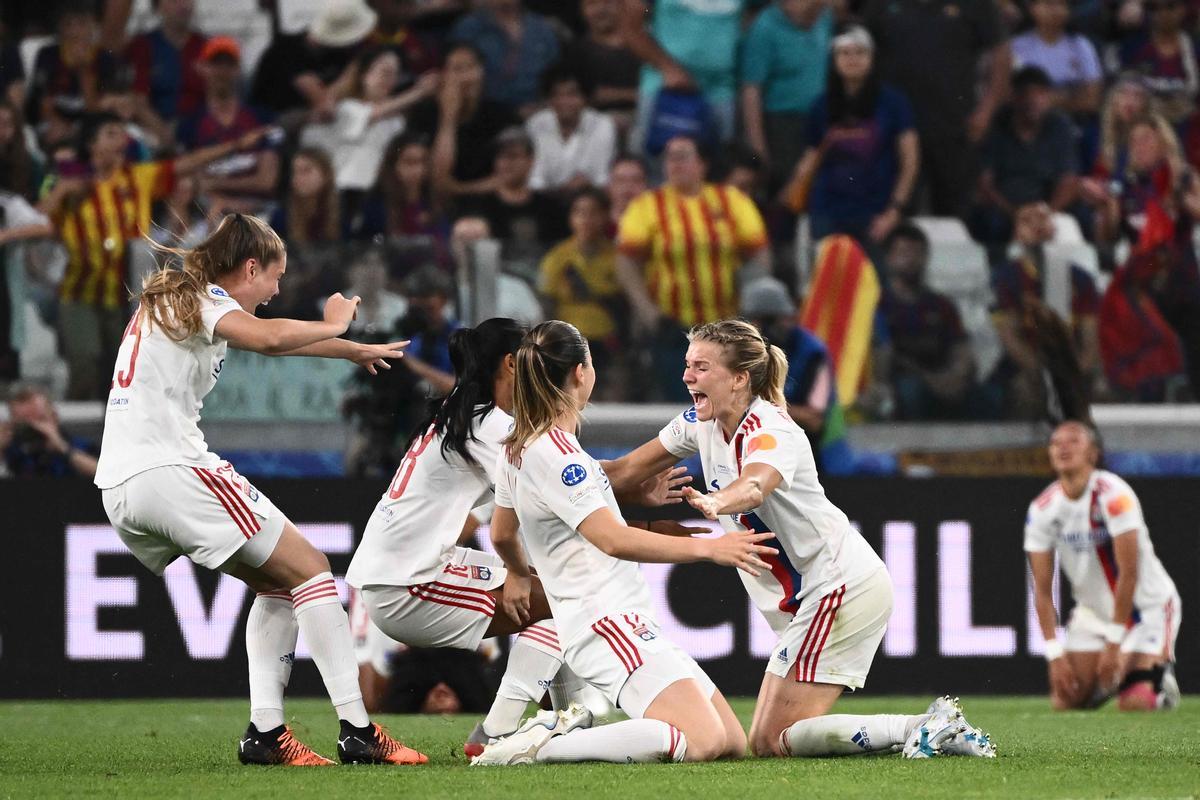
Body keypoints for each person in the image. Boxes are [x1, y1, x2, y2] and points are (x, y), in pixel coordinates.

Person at [94, 213, 424, 765]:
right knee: (313, 569)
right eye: (274, 277)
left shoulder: (177, 299)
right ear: (251, 267)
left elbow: (275, 340)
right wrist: (337, 325)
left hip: (122, 485)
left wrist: (350, 351)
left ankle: (266, 736)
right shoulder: (206, 300)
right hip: (171, 469)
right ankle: (358, 731)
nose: (275, 291)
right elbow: (271, 338)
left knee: (279, 584)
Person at [614, 319, 995, 759]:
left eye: (701, 367)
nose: (686, 376)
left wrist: (720, 502)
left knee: (771, 739)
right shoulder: (698, 422)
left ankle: (926, 726)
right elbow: (624, 471)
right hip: (814, 593)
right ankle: (926, 727)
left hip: (838, 585)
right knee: (770, 739)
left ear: (739, 378)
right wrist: (559, 478)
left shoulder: (772, 430)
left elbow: (756, 484)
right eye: (687, 365)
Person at [347, 317, 690, 757]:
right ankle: (496, 733)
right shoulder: (491, 425)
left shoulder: (466, 415)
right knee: (560, 605)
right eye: (528, 358)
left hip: (408, 570)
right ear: (512, 364)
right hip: (409, 584)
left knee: (560, 599)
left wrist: (625, 489)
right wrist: (687, 431)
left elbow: (559, 485)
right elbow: (573, 478)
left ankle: (571, 724)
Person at [472, 319, 774, 765]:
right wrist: (708, 549)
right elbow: (610, 540)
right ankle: (545, 742)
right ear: (581, 373)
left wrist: (520, 571)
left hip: (622, 619)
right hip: (604, 621)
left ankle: (557, 733)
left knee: (729, 741)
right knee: (704, 741)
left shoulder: (523, 446)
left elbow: (502, 532)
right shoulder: (557, 454)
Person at [29, 113, 271, 400]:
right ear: (92, 143)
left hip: (128, 293)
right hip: (79, 291)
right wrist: (60, 192)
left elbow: (185, 165)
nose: (122, 140)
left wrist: (235, 146)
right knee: (84, 363)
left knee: (120, 366)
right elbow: (35, 220)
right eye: (111, 133)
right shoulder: (69, 182)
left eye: (122, 133)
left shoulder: (138, 178)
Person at [1026, 420, 1182, 711]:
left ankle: (1158, 685)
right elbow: (1043, 591)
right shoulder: (1042, 510)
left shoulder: (1114, 496)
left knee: (1135, 704)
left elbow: (1129, 573)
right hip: (1093, 613)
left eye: (1074, 441)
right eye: (1056, 443)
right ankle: (1121, 679)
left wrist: (1113, 644)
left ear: (1092, 454)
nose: (1063, 448)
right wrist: (1054, 654)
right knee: (1065, 700)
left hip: (1147, 609)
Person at [616, 135, 769, 401]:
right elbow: (627, 262)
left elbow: (758, 254)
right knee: (680, 404)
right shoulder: (647, 206)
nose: (674, 164)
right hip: (672, 329)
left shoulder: (730, 200)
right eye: (669, 157)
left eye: (683, 156)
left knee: (726, 401)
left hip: (725, 330)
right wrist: (648, 312)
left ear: (702, 164)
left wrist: (750, 308)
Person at [862, 0, 1010, 217]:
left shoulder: (978, 4)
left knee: (956, 212)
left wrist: (986, 110)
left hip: (954, 125)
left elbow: (1001, 53)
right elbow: (863, 47)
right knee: (896, 212)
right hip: (897, 128)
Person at [783, 25, 918, 248]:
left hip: (875, 212)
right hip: (827, 211)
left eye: (860, 52)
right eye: (844, 53)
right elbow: (810, 157)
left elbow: (910, 160)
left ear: (872, 57)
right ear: (833, 59)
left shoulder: (894, 103)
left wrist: (894, 211)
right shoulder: (821, 105)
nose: (852, 59)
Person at [991, 202, 1103, 416]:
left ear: (1054, 228)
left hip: (1071, 362)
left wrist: (1074, 371)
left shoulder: (1080, 279)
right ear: (1017, 233)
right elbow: (1011, 338)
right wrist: (1044, 373)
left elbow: (1091, 341)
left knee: (1102, 388)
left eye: (1042, 218)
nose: (1036, 225)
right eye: (1027, 220)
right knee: (1025, 391)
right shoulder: (1006, 278)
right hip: (1028, 365)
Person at [739, 277, 852, 475]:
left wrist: (754, 407)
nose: (787, 323)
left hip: (817, 459)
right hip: (758, 456)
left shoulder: (814, 355)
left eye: (786, 317)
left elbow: (813, 419)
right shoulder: (742, 352)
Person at [870, 224, 978, 421]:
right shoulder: (877, 305)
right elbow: (881, 360)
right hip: (901, 384)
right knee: (911, 391)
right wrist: (928, 380)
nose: (911, 259)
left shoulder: (942, 305)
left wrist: (956, 376)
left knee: (984, 395)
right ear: (888, 258)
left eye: (918, 253)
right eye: (903, 252)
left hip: (944, 378)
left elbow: (962, 350)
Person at [300, 47, 439, 195]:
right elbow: (372, 114)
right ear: (364, 75)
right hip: (337, 192)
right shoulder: (345, 107)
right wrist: (419, 92)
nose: (390, 80)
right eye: (384, 72)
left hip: (377, 193)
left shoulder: (397, 121)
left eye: (395, 74)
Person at [973, 66, 1080, 250]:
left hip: (1045, 207)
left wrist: (1047, 213)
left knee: (1079, 214)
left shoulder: (1059, 125)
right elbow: (985, 184)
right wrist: (1015, 214)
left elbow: (1068, 180)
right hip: (1005, 206)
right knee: (991, 221)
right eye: (1027, 94)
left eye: (1041, 94)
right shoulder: (996, 125)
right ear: (1014, 97)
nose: (1034, 101)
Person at [176, 37, 279, 217]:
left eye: (229, 65)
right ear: (202, 68)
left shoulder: (262, 118)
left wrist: (214, 185)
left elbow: (266, 181)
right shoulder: (190, 124)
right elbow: (186, 175)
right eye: (215, 64)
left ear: (238, 69)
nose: (222, 72)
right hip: (210, 211)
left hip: (258, 209)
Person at [740, 0, 834, 193]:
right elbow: (751, 89)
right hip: (782, 125)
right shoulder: (765, 28)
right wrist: (758, 148)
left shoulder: (825, 18)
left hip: (820, 121)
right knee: (787, 194)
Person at [538, 188, 625, 394]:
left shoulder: (617, 258)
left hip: (608, 342)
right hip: (568, 343)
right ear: (571, 218)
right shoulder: (557, 258)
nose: (586, 219)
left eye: (593, 212)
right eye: (580, 212)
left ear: (605, 216)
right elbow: (546, 304)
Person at [409, 42, 519, 196]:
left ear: (482, 71)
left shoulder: (502, 115)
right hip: (435, 203)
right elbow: (436, 181)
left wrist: (460, 190)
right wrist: (448, 118)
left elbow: (513, 175)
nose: (466, 77)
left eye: (471, 67)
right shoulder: (424, 115)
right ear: (442, 75)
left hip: (488, 199)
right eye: (457, 69)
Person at [448, 0, 561, 115]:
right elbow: (456, 77)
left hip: (537, 113)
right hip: (484, 114)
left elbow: (556, 78)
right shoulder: (468, 29)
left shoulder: (542, 30)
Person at [525, 67, 617, 194]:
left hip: (590, 197)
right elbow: (535, 179)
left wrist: (584, 185)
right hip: (547, 199)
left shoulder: (603, 125)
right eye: (557, 95)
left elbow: (601, 177)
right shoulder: (535, 124)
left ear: (585, 97)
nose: (564, 102)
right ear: (549, 99)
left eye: (572, 95)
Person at [1009, 0, 1103, 117]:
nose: (1056, 10)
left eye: (1061, 5)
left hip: (1073, 120)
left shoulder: (1081, 45)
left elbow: (1093, 99)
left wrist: (1056, 101)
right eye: (1049, 4)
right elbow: (1009, 94)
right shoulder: (1017, 47)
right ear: (1033, 9)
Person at [122, 0, 208, 123]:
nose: (183, 4)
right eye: (174, 1)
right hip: (155, 128)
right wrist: (162, 133)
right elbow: (139, 100)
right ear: (157, 7)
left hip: (199, 128)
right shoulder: (144, 45)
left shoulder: (205, 46)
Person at [1118, 0, 1198, 125]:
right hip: (1143, 126)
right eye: (1153, 8)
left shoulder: (1195, 50)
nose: (1162, 13)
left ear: (1183, 9)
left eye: (1170, 5)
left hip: (1189, 126)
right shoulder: (1132, 49)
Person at [562, 0, 641, 122]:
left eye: (608, 2)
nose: (601, 10)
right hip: (593, 125)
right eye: (592, 4)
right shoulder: (574, 53)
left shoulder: (647, 48)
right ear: (582, 10)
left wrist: (614, 94)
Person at [1, 382, 97, 478]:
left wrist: (63, 449)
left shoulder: (81, 446)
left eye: (40, 420)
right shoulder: (12, 451)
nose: (35, 427)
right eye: (25, 424)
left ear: (54, 416)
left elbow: (104, 476)